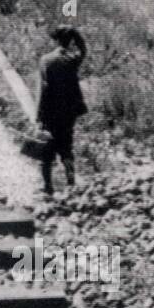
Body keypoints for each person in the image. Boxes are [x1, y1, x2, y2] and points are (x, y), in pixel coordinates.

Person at [35, 25, 88, 196]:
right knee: (66, 146)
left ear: (55, 39)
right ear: (69, 40)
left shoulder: (46, 60)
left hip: (51, 111)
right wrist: (76, 35)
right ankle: (71, 182)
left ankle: (48, 186)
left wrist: (39, 115)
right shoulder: (72, 59)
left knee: (47, 149)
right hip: (69, 111)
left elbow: (44, 89)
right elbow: (83, 50)